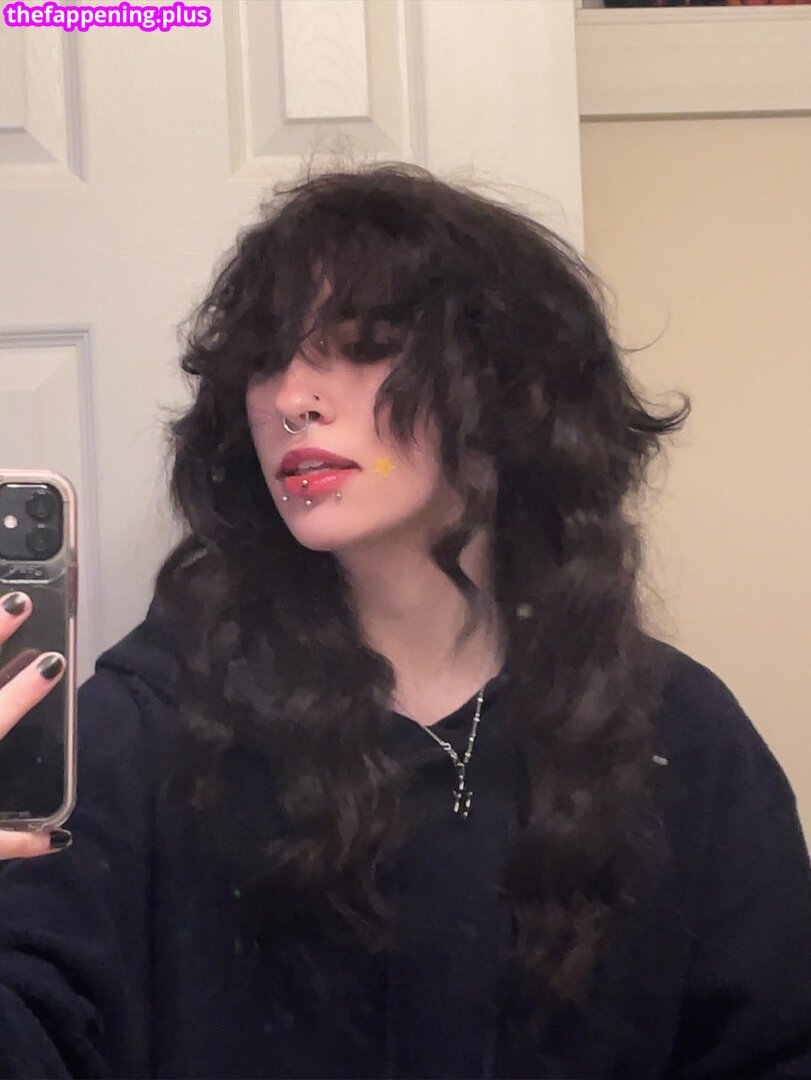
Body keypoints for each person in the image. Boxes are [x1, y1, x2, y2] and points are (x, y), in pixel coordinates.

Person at [0, 161, 809, 1079]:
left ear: (512, 388)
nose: (291, 399)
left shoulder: (680, 735)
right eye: (264, 361)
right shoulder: (143, 729)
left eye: (364, 347)